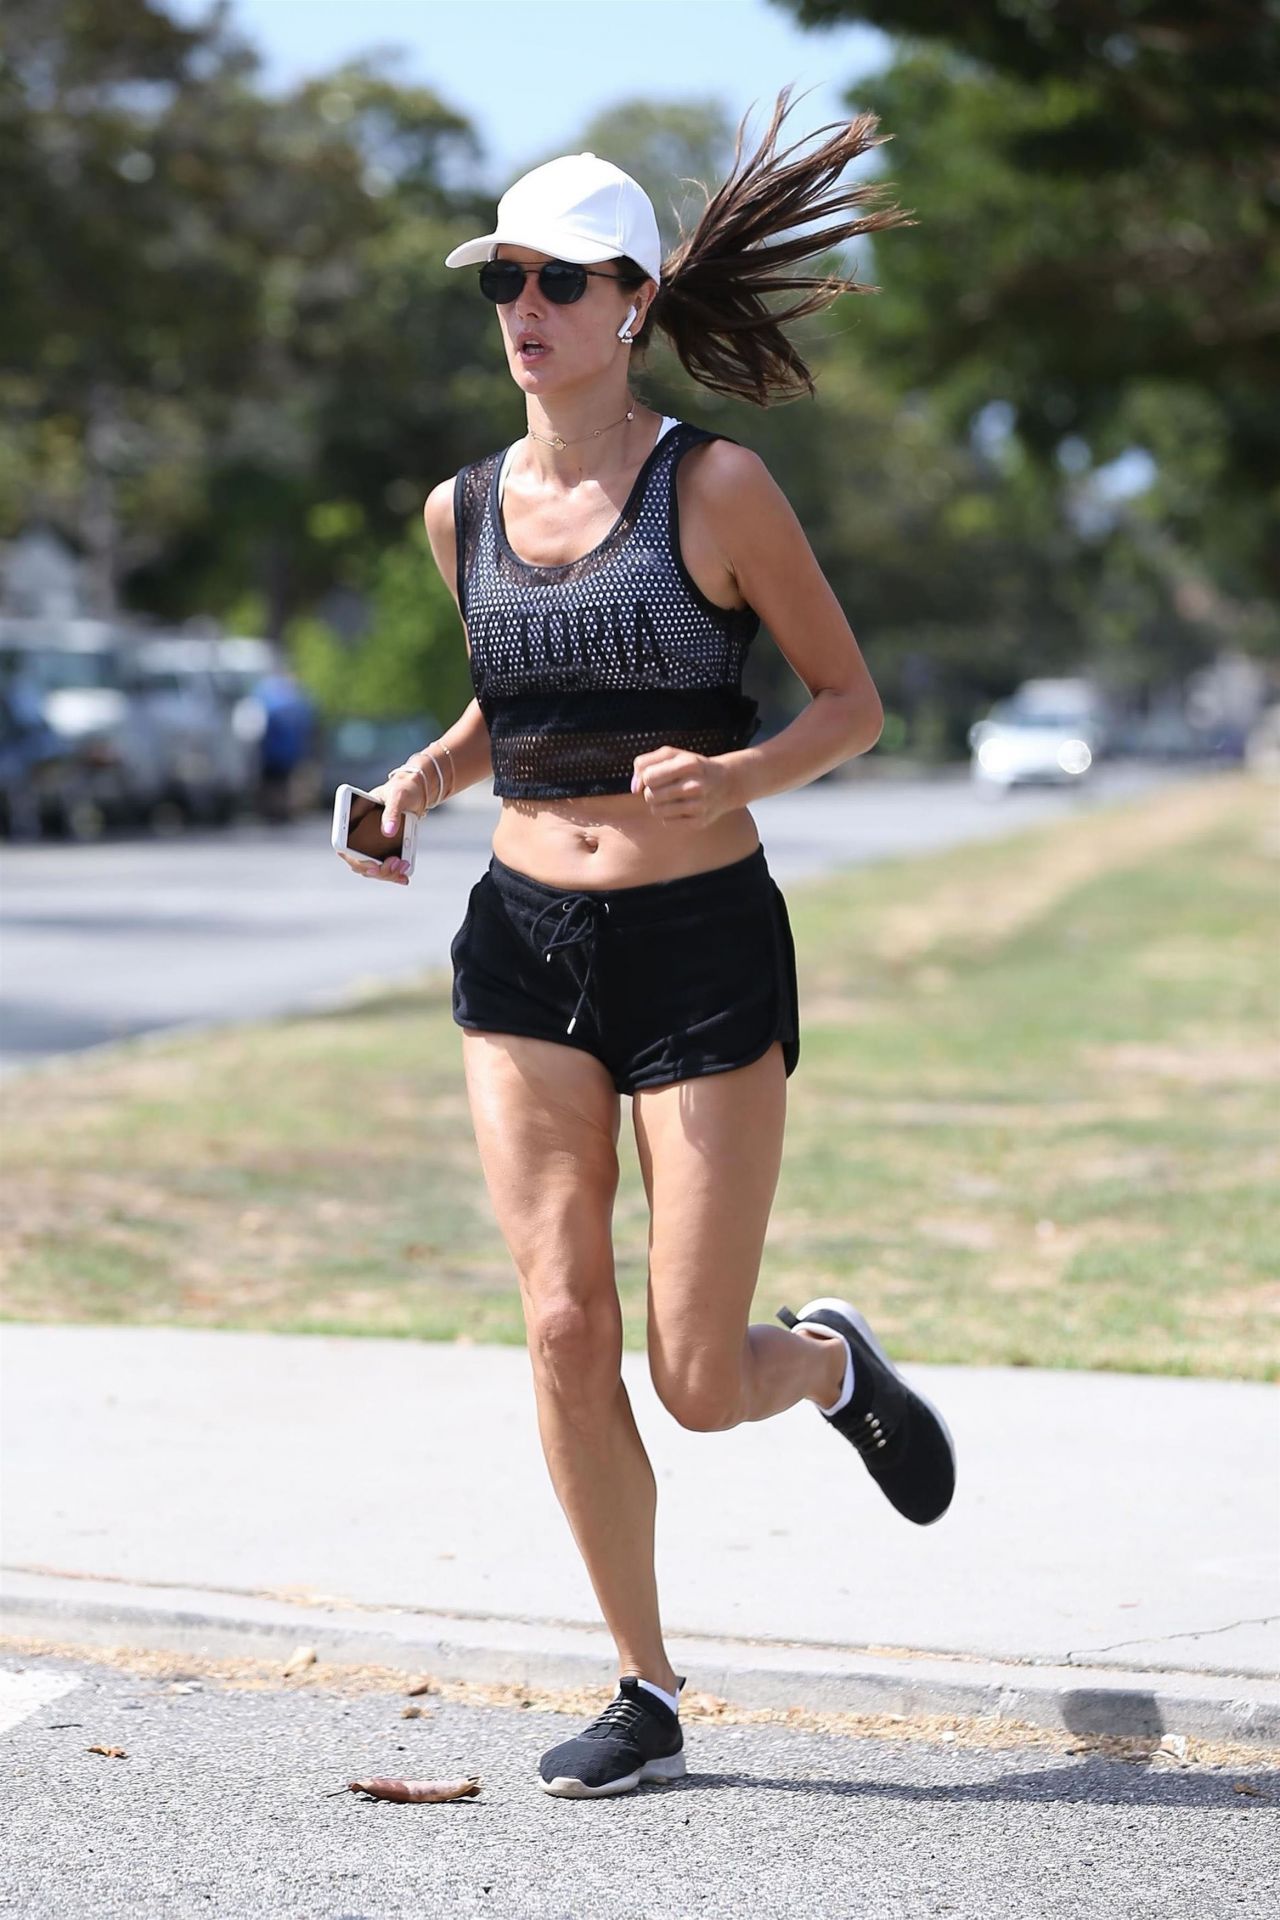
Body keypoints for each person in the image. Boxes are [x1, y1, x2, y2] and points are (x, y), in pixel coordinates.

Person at [341, 90, 957, 1799]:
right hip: (522, 948)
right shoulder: (459, 512)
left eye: (556, 283)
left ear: (631, 304)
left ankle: (826, 1364)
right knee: (558, 1321)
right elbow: (512, 703)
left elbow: (854, 703)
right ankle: (646, 1684)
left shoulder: (721, 487)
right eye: (501, 286)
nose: (524, 314)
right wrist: (419, 782)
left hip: (701, 948)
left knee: (693, 1374)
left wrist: (738, 773)